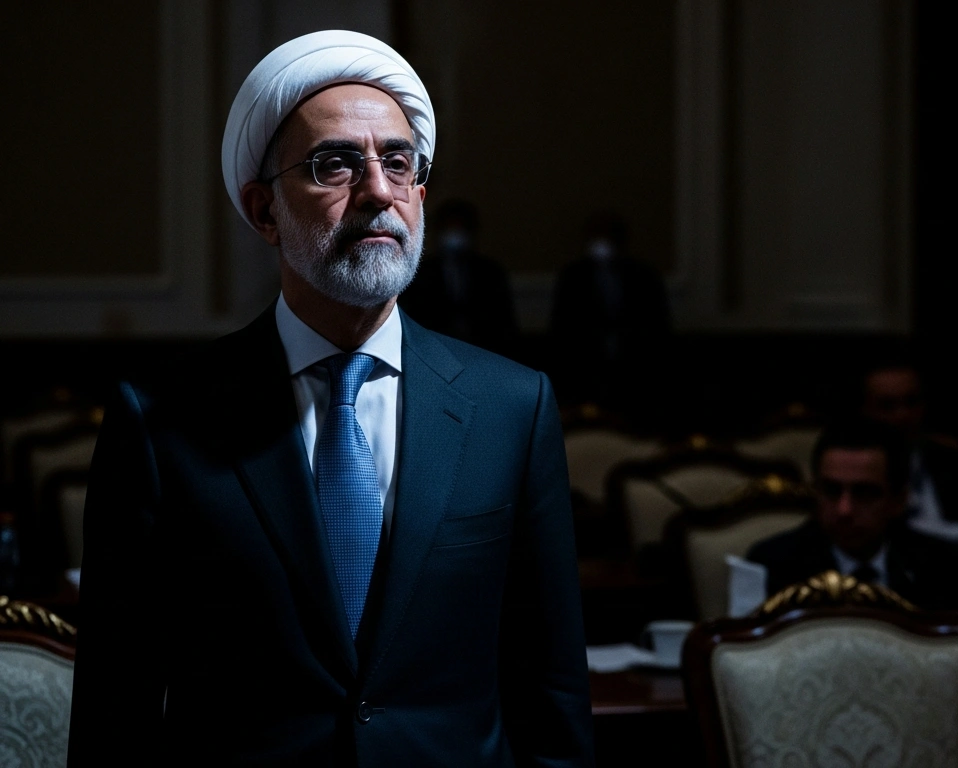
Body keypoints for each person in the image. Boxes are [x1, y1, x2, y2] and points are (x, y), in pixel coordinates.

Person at [68, 31, 593, 765]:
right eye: (335, 165)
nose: (378, 190)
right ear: (264, 210)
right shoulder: (160, 423)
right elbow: (114, 708)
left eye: (398, 162)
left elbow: (552, 692)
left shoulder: (513, 406)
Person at [746, 420, 958, 624]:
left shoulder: (943, 564)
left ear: (898, 500)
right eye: (831, 490)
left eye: (864, 493)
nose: (844, 509)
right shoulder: (772, 565)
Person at [859, 359, 958, 541]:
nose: (903, 415)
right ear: (864, 411)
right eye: (888, 406)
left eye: (911, 402)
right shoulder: (851, 475)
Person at [548, 211, 670, 406]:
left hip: (636, 370)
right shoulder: (574, 276)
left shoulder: (643, 276)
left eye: (608, 235)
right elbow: (562, 326)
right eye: (596, 235)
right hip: (584, 370)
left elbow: (657, 324)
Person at [397, 198, 520, 358]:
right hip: (433, 352)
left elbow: (504, 323)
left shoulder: (491, 272)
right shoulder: (419, 271)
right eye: (449, 228)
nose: (455, 234)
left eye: (460, 228)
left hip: (483, 352)